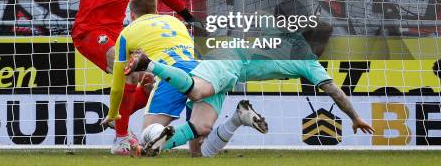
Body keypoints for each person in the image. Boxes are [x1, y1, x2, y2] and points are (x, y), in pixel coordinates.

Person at [0, 0, 203, 154]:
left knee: (145, 81)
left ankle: (119, 122)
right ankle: (120, 139)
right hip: (88, 30)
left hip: (118, 31)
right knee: (128, 68)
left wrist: (188, 17)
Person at [126, 52, 375, 157]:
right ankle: (149, 64)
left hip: (228, 73)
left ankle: (151, 147)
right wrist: (354, 117)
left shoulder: (284, 39)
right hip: (225, 66)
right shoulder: (311, 62)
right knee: (197, 91)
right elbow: (335, 92)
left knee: (201, 128)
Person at [100, 0, 206, 155]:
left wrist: (113, 113)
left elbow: (118, 84)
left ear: (132, 15)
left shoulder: (127, 33)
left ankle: (157, 134)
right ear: (156, 11)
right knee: (197, 148)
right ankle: (233, 121)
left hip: (171, 75)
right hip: (203, 74)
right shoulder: (176, 22)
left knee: (148, 137)